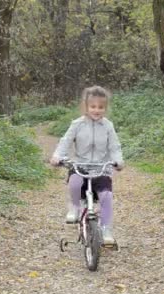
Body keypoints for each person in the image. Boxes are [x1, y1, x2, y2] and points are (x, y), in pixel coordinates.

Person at [49, 85, 124, 245]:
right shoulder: (77, 124)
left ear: (105, 108)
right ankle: (75, 207)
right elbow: (66, 141)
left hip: (101, 168)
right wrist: (57, 156)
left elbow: (114, 146)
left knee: (106, 196)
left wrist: (118, 161)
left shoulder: (108, 126)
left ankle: (106, 229)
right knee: (75, 182)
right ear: (86, 106)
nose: (97, 110)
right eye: (93, 106)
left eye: (101, 107)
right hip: (81, 166)